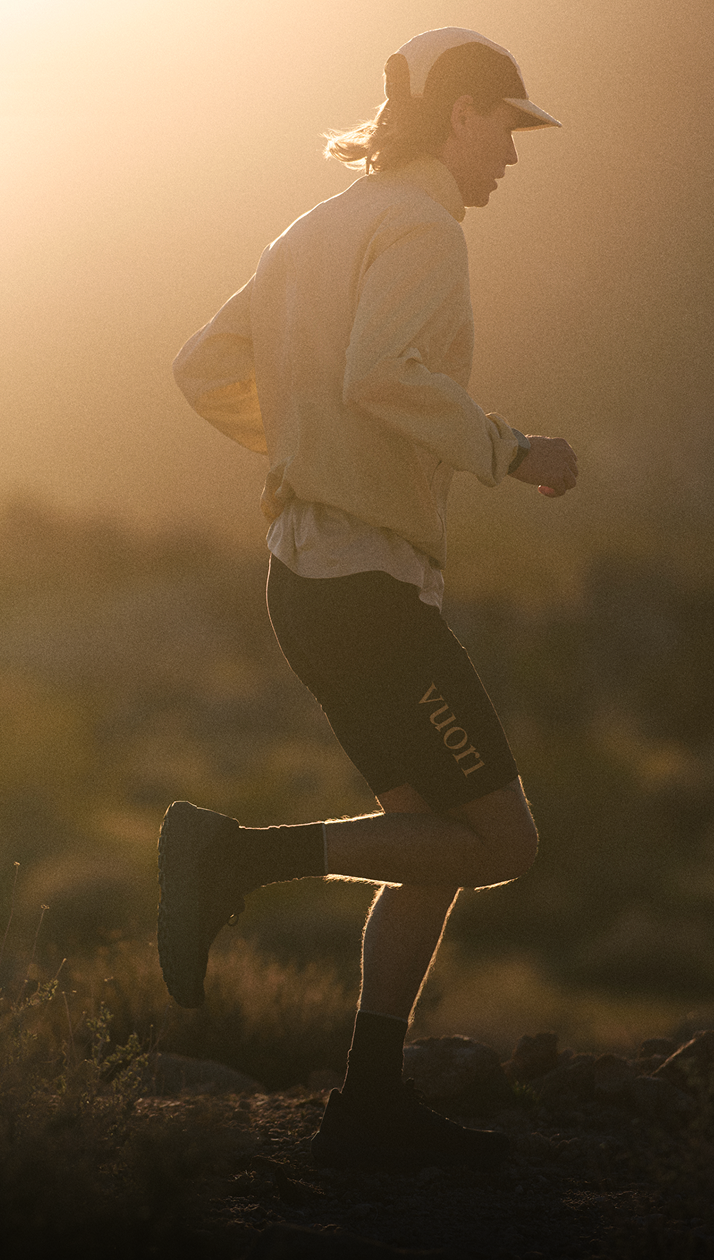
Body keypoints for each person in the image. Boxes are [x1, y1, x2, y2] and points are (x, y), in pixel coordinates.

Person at [160, 27, 578, 1171]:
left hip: (301, 579)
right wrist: (509, 449)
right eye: (505, 123)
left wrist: (306, 443)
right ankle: (236, 858)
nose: (511, 152)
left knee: (425, 841)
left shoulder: (314, 229)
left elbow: (202, 368)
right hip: (368, 589)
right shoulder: (422, 228)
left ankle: (369, 1103)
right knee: (502, 841)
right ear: (458, 115)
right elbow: (384, 376)